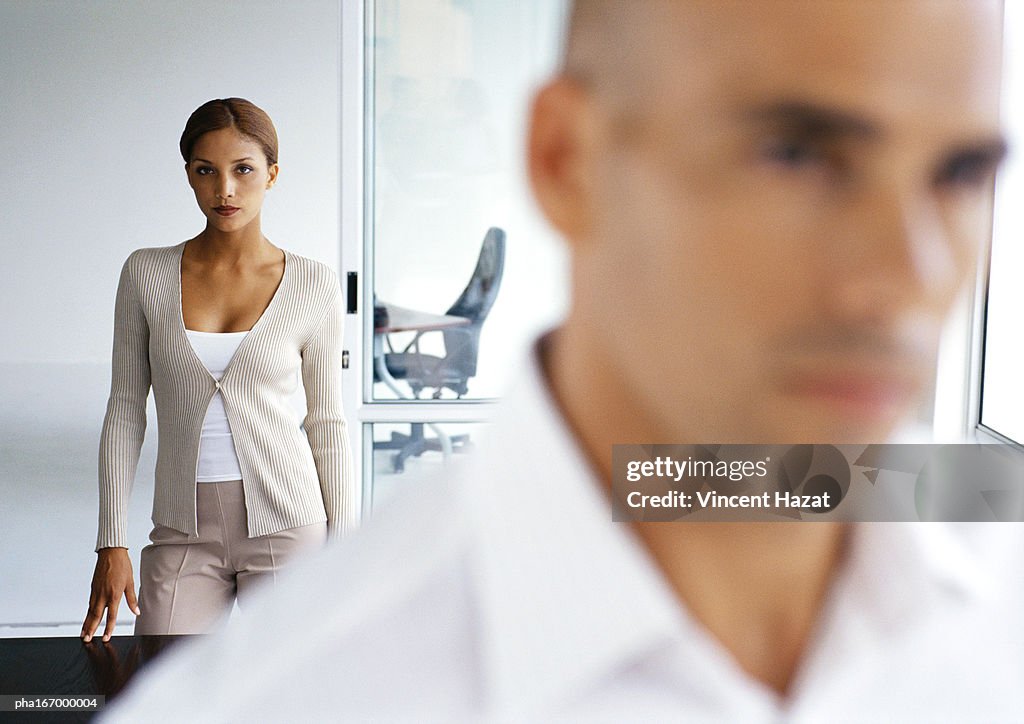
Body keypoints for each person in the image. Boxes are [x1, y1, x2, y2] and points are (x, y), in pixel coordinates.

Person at [101, 2, 1023, 721]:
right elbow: (129, 411)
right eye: (797, 155)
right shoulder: (286, 695)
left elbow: (328, 423)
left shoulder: (996, 571)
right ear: (565, 159)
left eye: (962, 174)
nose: (909, 278)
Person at [81, 98, 357, 641]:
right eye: (206, 170)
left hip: (289, 524)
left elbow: (327, 423)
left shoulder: (313, 284)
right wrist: (111, 540)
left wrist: (346, 551)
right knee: (163, 688)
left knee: (291, 697)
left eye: (243, 170)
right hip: (183, 531)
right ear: (188, 174)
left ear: (272, 174)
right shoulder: (146, 273)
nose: (224, 190)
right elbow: (124, 412)